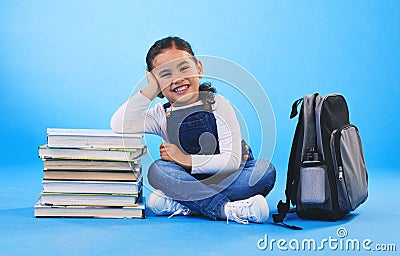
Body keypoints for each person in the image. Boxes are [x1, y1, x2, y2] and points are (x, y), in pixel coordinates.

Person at [110, 36, 276, 224]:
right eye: (165, 74)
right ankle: (225, 209)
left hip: (228, 177)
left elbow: (230, 162)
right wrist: (150, 90)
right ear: (156, 82)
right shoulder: (161, 115)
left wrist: (184, 159)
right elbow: (119, 124)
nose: (178, 79)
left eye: (183, 68)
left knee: (264, 171)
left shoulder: (218, 104)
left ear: (199, 68)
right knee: (158, 170)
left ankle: (186, 203)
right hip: (187, 180)